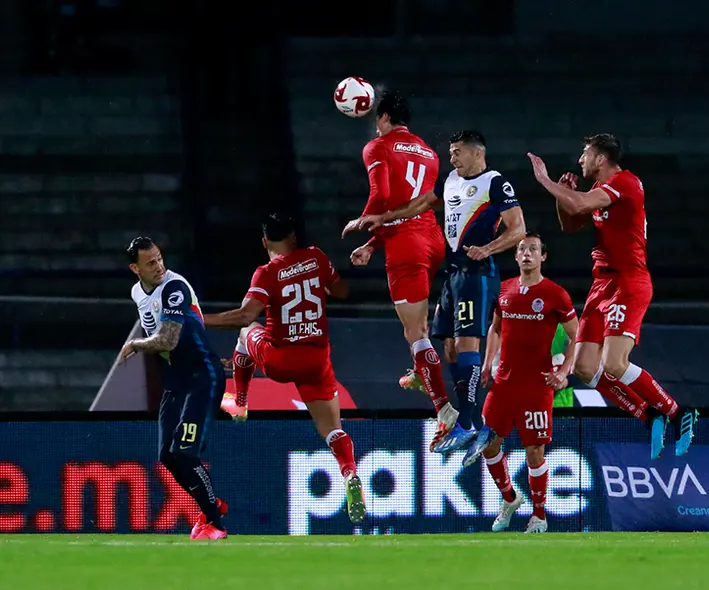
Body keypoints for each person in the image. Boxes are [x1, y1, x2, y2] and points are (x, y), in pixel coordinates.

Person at [527, 134, 699, 459]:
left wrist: (545, 181)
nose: (580, 160)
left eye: (585, 153)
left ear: (601, 157)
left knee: (614, 363)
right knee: (583, 366)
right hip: (601, 285)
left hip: (627, 281)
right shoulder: (596, 190)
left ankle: (677, 411)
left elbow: (579, 204)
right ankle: (648, 414)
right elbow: (570, 223)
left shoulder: (625, 182)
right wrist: (563, 195)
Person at [202, 213, 365, 524]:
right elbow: (342, 291)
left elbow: (244, 315)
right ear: (294, 237)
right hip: (316, 359)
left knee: (246, 331)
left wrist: (200, 318)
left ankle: (241, 403)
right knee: (333, 429)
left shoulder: (267, 273)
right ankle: (349, 472)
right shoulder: (316, 257)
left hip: (280, 358)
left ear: (264, 242)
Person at [369, 130, 526, 454]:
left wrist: (488, 249)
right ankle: (476, 424)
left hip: (478, 273)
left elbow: (518, 229)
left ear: (477, 153)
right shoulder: (451, 180)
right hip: (453, 274)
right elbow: (421, 204)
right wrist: (386, 217)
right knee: (450, 347)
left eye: (457, 152)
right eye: (451, 152)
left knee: (467, 343)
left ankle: (467, 423)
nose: (452, 158)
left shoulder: (495, 183)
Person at [341, 90, 458, 450]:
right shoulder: (429, 152)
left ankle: (444, 410)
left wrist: (363, 221)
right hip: (433, 239)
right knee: (418, 325)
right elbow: (412, 205)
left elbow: (382, 197)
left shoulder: (377, 147)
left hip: (407, 247)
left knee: (415, 332)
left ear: (384, 117)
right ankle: (422, 371)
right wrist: (372, 244)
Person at [120, 237, 227, 540]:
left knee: (184, 452)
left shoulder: (174, 287)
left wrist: (135, 345)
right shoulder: (137, 292)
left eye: (159, 258)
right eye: (150, 262)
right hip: (176, 380)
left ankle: (216, 524)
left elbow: (168, 340)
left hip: (202, 376)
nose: (158, 266)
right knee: (167, 456)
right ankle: (211, 504)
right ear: (135, 269)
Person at [475, 233, 578, 533]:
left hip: (537, 385)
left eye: (533, 249)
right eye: (522, 249)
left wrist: (564, 371)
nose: (527, 254)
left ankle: (539, 515)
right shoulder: (504, 289)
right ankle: (510, 498)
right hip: (504, 383)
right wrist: (487, 364)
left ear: (543, 257)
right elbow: (495, 329)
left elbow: (577, 334)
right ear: (516, 256)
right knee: (487, 444)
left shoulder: (555, 294)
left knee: (534, 451)